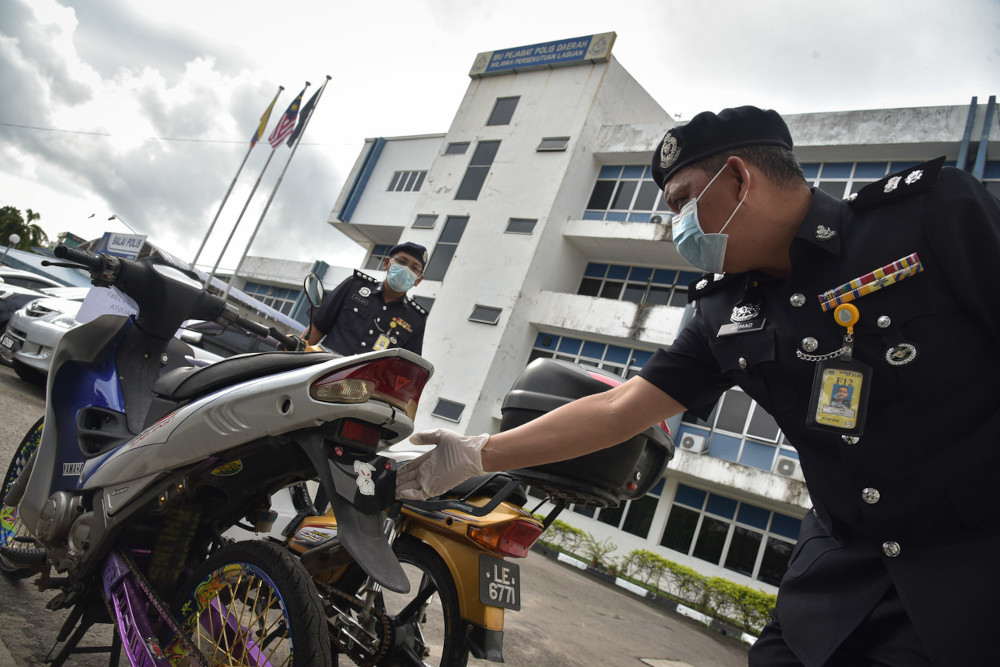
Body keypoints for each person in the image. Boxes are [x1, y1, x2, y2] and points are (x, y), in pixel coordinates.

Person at [397, 106, 1000, 666]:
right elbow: (619, 408)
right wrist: (476, 452)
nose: (676, 225)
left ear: (738, 178)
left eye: (683, 201)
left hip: (969, 576)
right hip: (836, 584)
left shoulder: (927, 217)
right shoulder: (723, 311)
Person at [303, 241, 428, 355]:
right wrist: (292, 358)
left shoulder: (416, 319)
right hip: (322, 373)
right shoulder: (354, 285)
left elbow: (405, 368)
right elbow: (317, 327)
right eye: (401, 261)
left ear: (418, 280)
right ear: (387, 264)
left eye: (414, 268)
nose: (406, 269)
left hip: (364, 380)